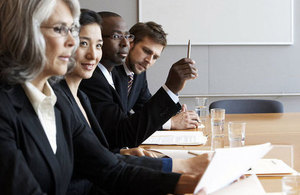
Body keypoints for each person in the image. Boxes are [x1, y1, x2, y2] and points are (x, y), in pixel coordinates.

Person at [0, 1, 209, 194]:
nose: (71, 42)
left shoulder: (56, 101)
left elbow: (110, 170)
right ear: (22, 31)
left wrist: (190, 183)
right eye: (59, 30)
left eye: (72, 30)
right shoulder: (9, 106)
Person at [55, 9, 211, 194]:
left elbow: (99, 155)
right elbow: (117, 140)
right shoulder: (87, 84)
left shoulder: (84, 96)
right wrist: (180, 167)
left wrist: (120, 153)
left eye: (97, 45)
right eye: (83, 43)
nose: (92, 54)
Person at [80, 12, 199, 149]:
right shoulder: (102, 74)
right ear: (131, 44)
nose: (149, 60)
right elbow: (122, 130)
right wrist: (170, 119)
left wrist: (174, 113)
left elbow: (144, 106)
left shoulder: (138, 74)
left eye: (155, 57)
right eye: (146, 51)